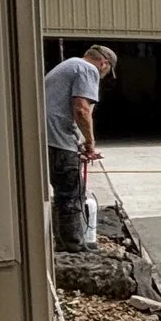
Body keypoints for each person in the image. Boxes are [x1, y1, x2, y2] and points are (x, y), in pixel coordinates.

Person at [44, 44, 114, 250]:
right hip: (58, 138)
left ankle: (65, 242)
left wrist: (79, 141)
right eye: (107, 71)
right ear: (104, 63)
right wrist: (90, 142)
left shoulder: (69, 66)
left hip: (49, 136)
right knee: (71, 193)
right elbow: (82, 108)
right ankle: (74, 246)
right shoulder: (87, 70)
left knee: (63, 193)